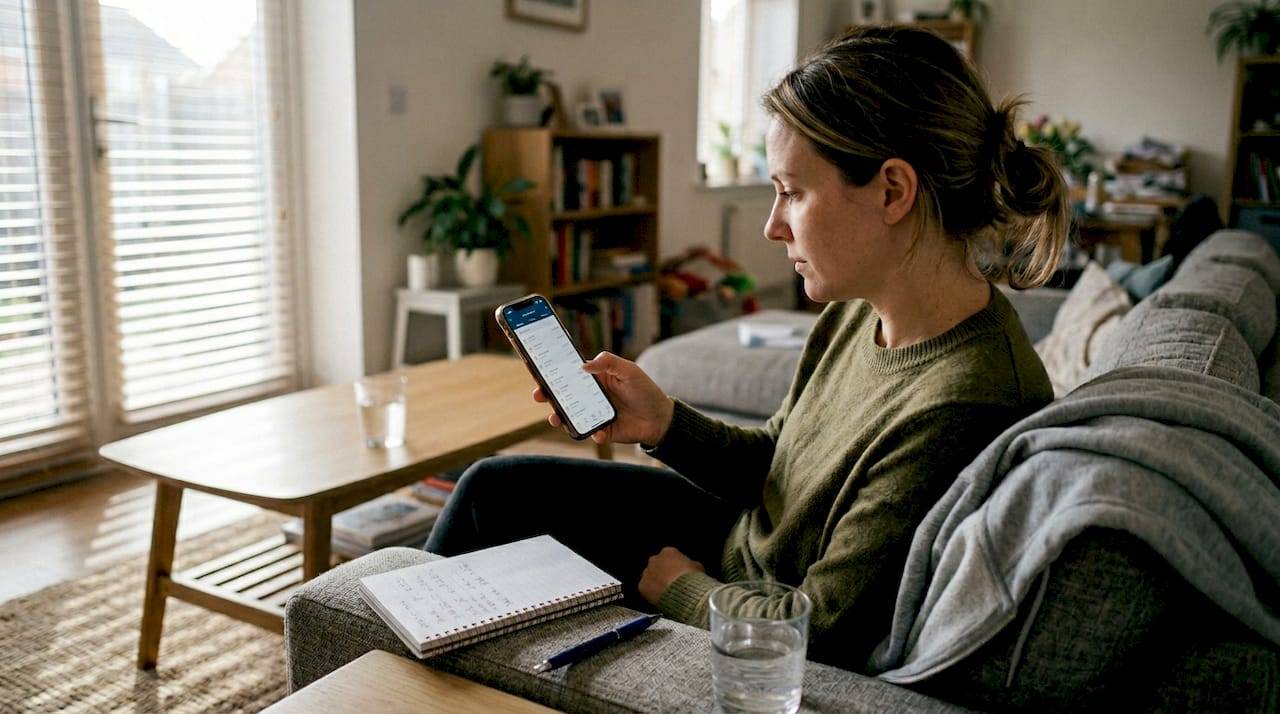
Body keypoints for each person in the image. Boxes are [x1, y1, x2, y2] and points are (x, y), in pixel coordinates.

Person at [425, 24, 1070, 672]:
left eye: (792, 191)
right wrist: (665, 423)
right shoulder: (859, 309)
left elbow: (820, 634)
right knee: (490, 490)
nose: (771, 224)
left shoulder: (964, 403)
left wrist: (682, 589)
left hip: (739, 595)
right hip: (732, 537)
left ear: (892, 191)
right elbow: (777, 465)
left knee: (495, 512)